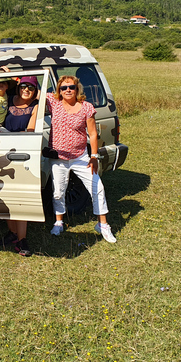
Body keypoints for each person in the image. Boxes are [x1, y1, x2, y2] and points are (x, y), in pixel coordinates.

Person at [46, 75, 116, 243]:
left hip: (80, 157)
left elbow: (92, 134)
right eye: (63, 88)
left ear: (77, 89)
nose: (67, 90)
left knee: (97, 187)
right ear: (59, 90)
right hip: (59, 158)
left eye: (71, 87)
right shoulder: (53, 102)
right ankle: (59, 222)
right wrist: (10, 74)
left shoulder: (86, 107)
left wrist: (94, 156)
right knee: (58, 191)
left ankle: (103, 225)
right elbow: (31, 89)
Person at [0, 75, 40, 256]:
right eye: (23, 86)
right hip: (1, 150)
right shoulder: (7, 100)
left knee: (20, 199)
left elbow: (30, 130)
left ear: (36, 90)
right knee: (5, 196)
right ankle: (13, 233)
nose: (26, 90)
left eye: (31, 87)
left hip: (22, 154)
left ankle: (22, 240)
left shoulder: (36, 105)